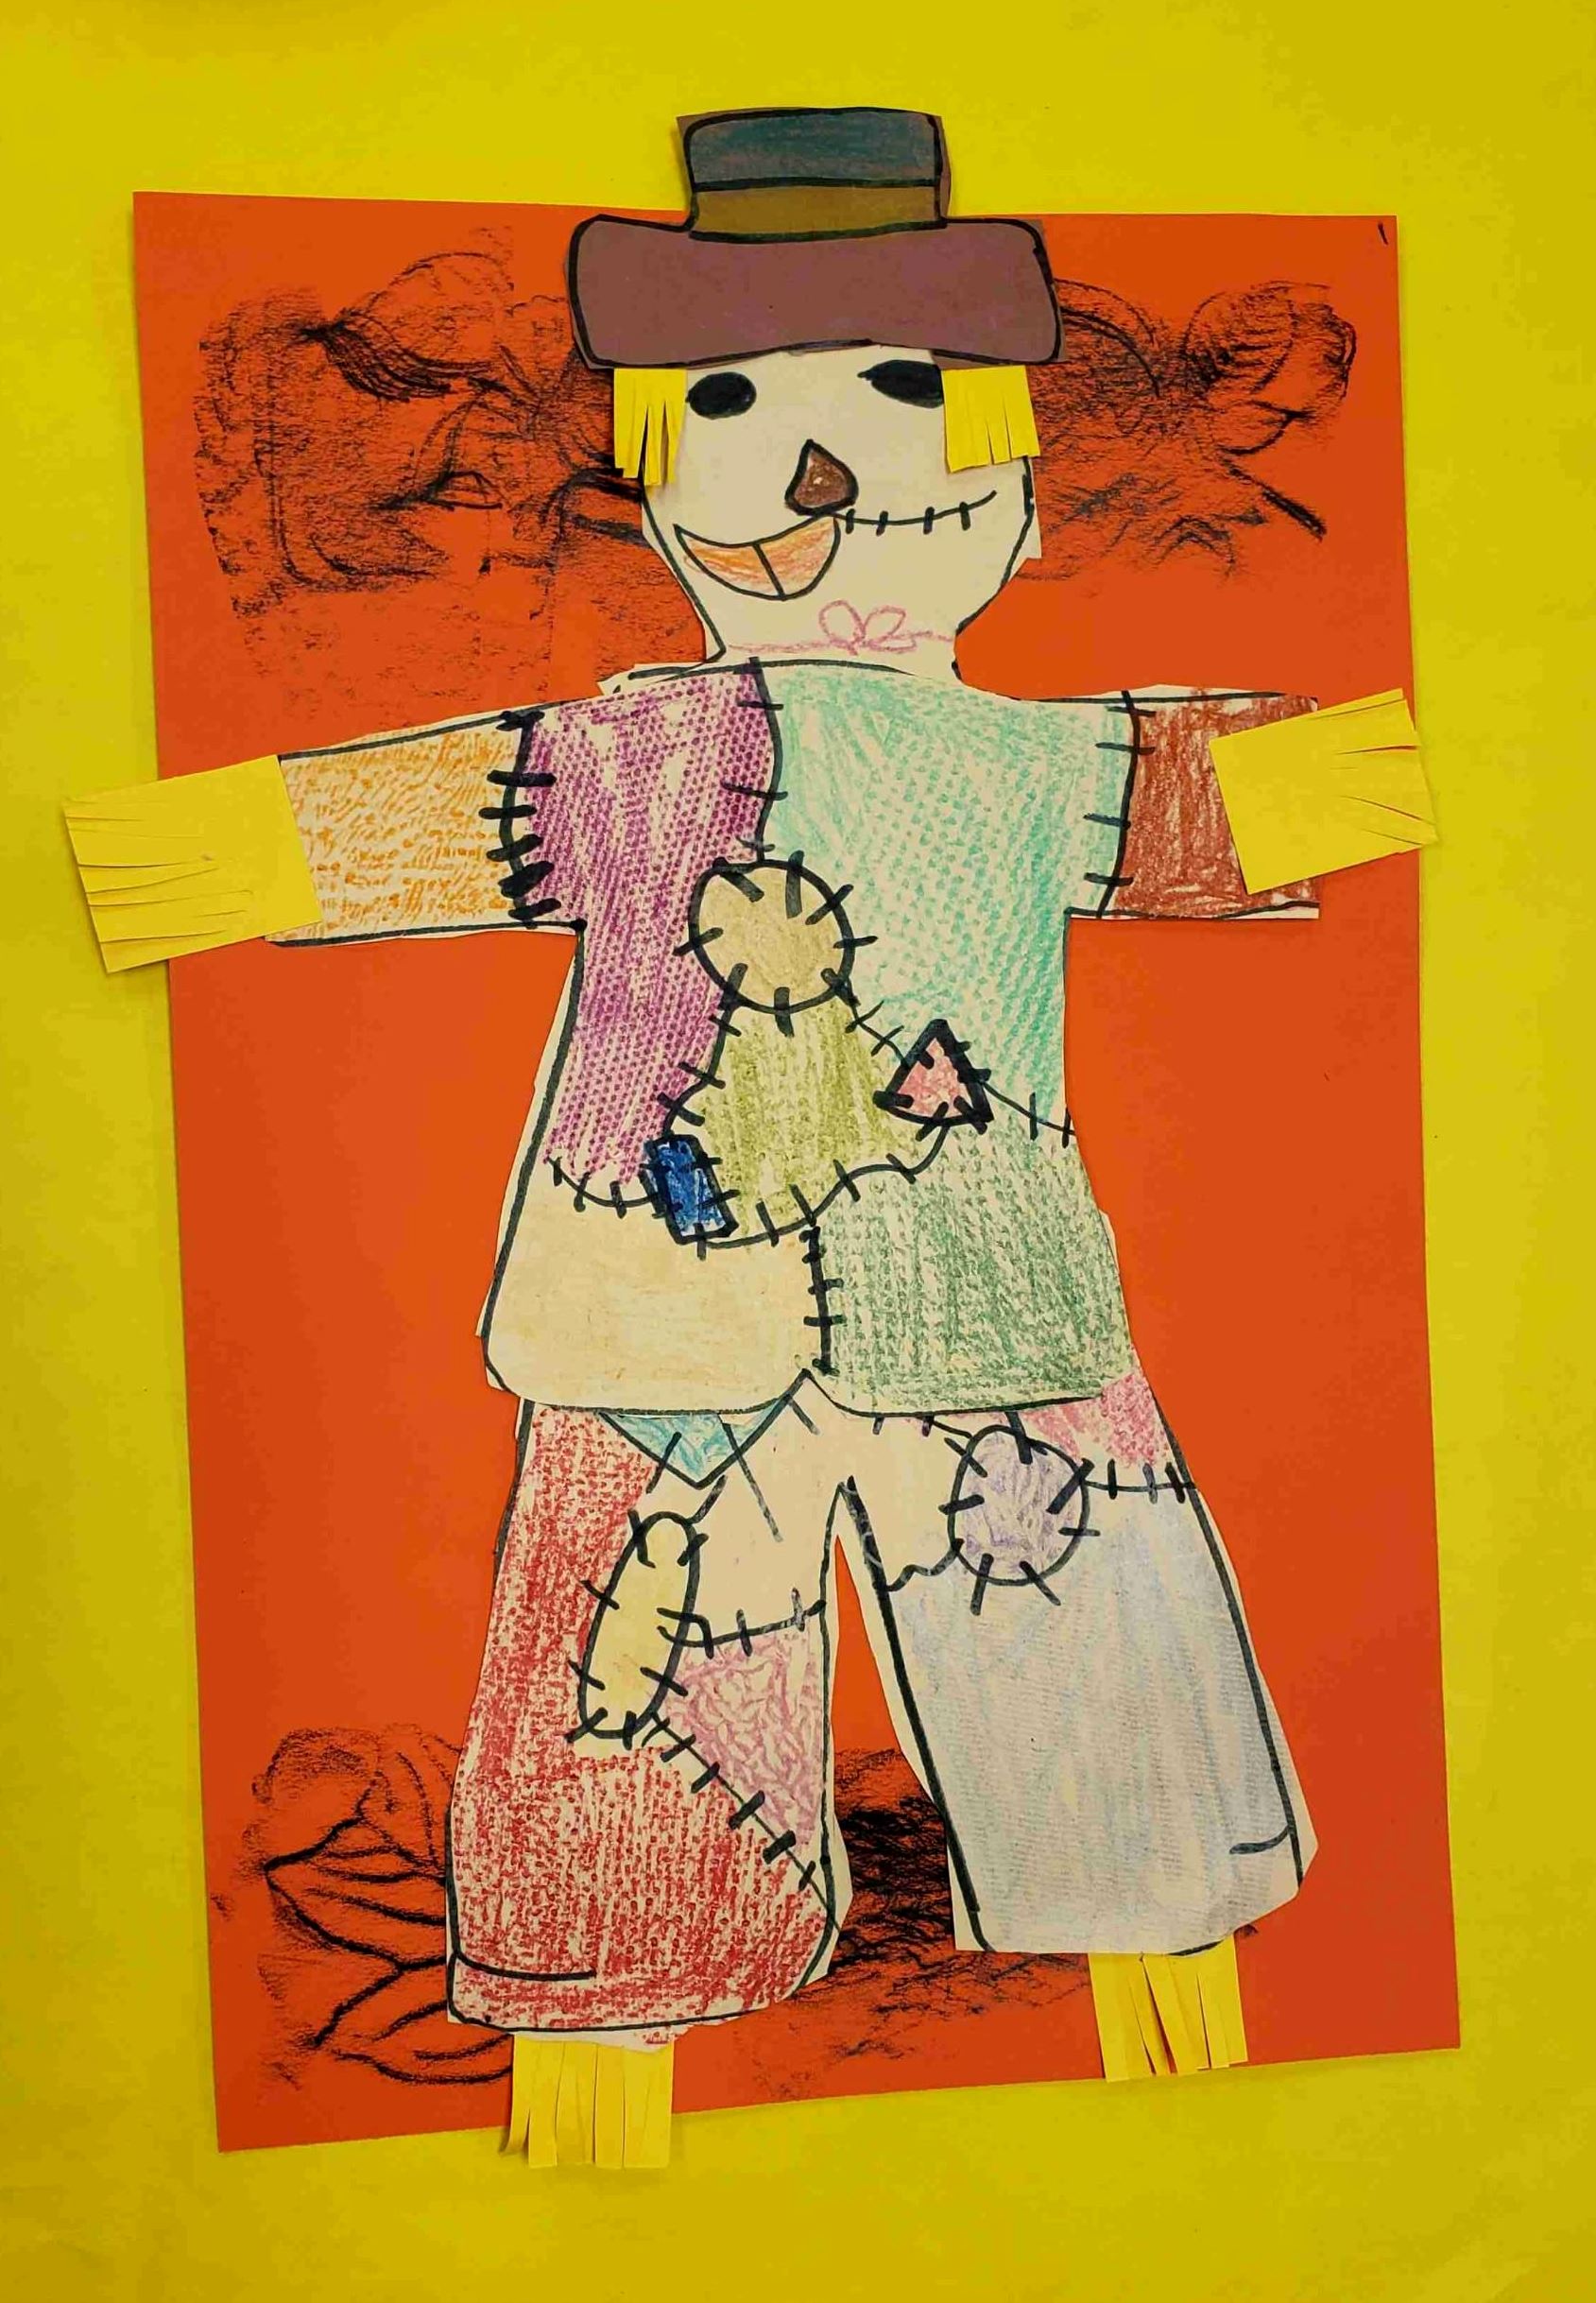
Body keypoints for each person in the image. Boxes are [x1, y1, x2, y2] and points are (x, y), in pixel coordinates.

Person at [89, 110, 1352, 2121]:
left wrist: (1428, 767)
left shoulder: (1032, 770)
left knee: (1098, 1663)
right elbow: (385, 821)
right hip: (666, 1299)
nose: (816, 466)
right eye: (737, 405)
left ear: (1017, 497)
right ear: (659, 483)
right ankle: (599, 2066)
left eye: (903, 397)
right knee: (627, 1699)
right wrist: (145, 860)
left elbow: (1289, 796)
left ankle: (1183, 2039)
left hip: (983, 1289)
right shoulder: (631, 764)